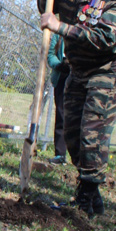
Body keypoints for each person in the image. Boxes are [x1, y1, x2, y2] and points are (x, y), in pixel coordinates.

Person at [38, 0, 116, 216]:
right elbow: (47, 7)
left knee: (93, 133)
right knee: (72, 134)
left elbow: (105, 38)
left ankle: (83, 203)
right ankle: (94, 196)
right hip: (78, 65)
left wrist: (61, 28)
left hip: (109, 66)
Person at [47, 33, 70, 165]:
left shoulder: (83, 27)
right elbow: (51, 55)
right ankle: (60, 154)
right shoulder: (58, 35)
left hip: (79, 78)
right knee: (61, 115)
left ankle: (82, 159)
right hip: (62, 77)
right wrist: (60, 65)